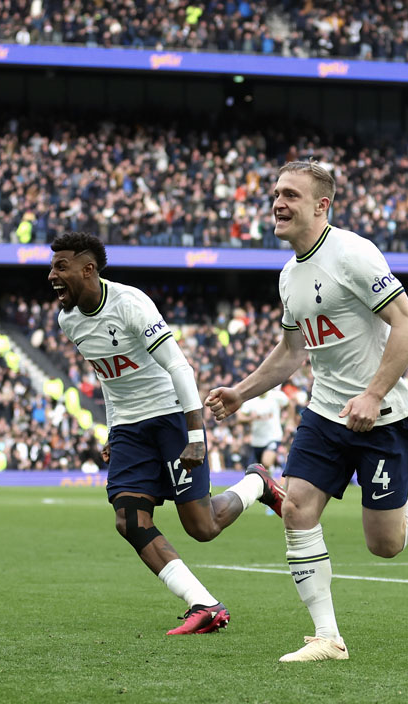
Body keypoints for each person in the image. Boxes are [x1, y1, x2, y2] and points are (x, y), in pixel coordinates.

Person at [205, 160, 408, 663]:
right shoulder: (288, 275)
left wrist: (372, 394)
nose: (277, 203)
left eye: (291, 195)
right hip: (325, 415)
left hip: (382, 416)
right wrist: (242, 391)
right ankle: (328, 637)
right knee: (296, 507)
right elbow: (290, 352)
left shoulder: (353, 254)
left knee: (384, 545)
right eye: (276, 193)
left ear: (322, 205)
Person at [48, 231, 285, 635]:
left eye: (60, 266)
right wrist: (111, 429)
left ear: (88, 269)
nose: (52, 275)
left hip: (171, 416)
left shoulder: (131, 304)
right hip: (128, 426)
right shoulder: (68, 320)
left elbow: (179, 367)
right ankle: (205, 604)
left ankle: (255, 483)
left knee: (203, 527)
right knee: (129, 520)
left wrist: (195, 436)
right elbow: (109, 379)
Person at [238, 386, 293, 472]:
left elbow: (290, 404)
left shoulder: (276, 396)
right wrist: (250, 418)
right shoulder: (250, 400)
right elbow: (240, 418)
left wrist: (290, 421)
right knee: (261, 468)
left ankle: (271, 475)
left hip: (273, 436)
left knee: (266, 462)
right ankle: (268, 481)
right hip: (257, 440)